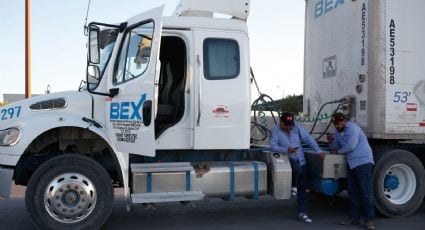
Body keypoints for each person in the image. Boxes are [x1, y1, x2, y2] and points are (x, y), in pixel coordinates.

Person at [270, 112, 326, 223]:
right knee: (296, 168)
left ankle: (303, 213)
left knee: (302, 189)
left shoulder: (296, 127)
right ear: (281, 122)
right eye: (286, 125)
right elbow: (273, 146)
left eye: (290, 125)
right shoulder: (275, 130)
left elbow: (308, 139)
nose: (289, 128)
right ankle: (293, 185)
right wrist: (286, 149)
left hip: (301, 161)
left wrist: (318, 151)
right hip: (289, 161)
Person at [327, 112, 375, 230]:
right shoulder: (338, 133)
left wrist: (338, 151)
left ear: (344, 121)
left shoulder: (353, 128)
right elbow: (335, 147)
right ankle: (353, 218)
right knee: (353, 192)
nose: (336, 126)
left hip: (363, 162)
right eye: (335, 124)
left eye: (338, 124)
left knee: (365, 192)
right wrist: (330, 142)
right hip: (351, 163)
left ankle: (369, 220)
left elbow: (350, 146)